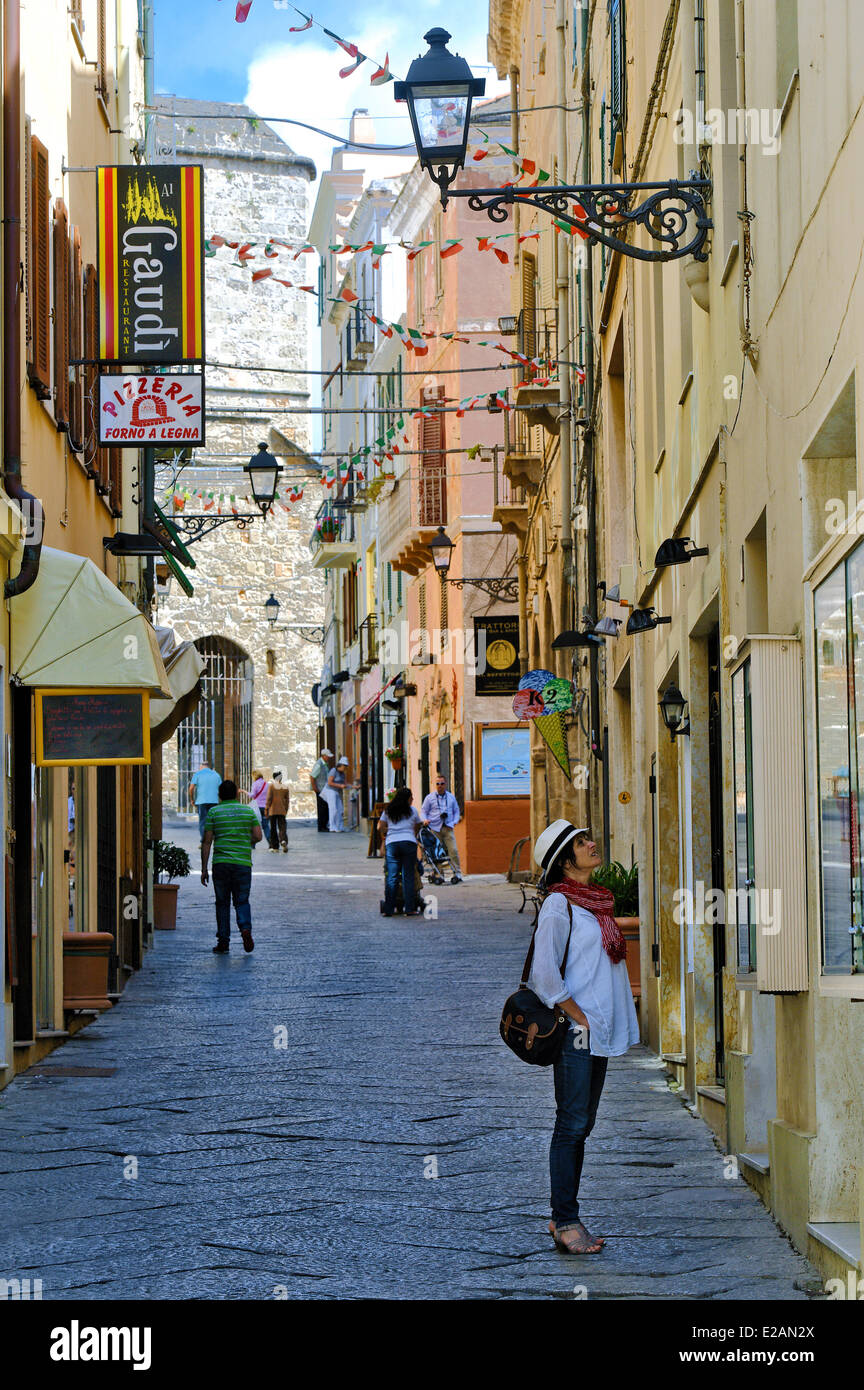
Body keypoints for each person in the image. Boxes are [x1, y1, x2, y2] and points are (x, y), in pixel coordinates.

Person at [527, 819, 639, 1255]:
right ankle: (565, 1219)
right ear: (565, 861)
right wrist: (580, 1018)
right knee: (571, 1125)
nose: (592, 844)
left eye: (588, 838)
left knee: (583, 1124)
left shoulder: (596, 904)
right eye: (580, 842)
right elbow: (543, 974)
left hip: (598, 1029)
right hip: (578, 1032)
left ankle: (566, 1215)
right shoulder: (560, 906)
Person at [201, 779, 263, 953]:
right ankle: (245, 928)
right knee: (241, 900)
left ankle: (223, 942)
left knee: (222, 903)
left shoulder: (214, 812)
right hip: (242, 864)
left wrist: (204, 869)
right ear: (237, 793)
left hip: (221, 864)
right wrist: (244, 840)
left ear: (220, 795)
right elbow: (258, 836)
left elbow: (207, 842)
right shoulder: (247, 811)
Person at [377, 787, 422, 917]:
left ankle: (389, 909)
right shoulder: (412, 810)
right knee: (408, 877)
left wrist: (386, 833)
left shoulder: (389, 810)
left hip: (392, 843)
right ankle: (409, 909)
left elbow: (380, 826)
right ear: (407, 799)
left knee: (392, 877)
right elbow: (418, 825)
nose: (412, 799)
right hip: (409, 843)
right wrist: (413, 833)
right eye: (411, 797)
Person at [420, 774, 463, 882]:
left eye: (442, 784)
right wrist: (425, 820)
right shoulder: (429, 798)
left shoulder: (451, 797)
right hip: (435, 828)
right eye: (438, 784)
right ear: (435, 785)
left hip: (448, 827)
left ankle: (457, 873)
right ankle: (439, 874)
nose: (440, 786)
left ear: (446, 784)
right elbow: (423, 811)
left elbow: (456, 811)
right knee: (436, 852)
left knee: (453, 850)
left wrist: (454, 822)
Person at [189, 760, 222, 842]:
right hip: (214, 801)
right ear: (209, 766)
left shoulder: (197, 774)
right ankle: (213, 837)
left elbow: (191, 788)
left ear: (201, 766)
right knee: (213, 820)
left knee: (203, 821)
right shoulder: (216, 774)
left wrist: (192, 799)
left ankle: (204, 839)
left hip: (201, 801)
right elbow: (221, 788)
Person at [322, 756, 354, 833]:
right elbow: (329, 782)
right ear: (340, 765)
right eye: (344, 766)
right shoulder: (333, 771)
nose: (345, 768)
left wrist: (354, 786)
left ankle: (339, 826)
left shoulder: (343, 774)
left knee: (340, 809)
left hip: (337, 792)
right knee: (333, 809)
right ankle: (332, 826)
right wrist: (340, 786)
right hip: (330, 791)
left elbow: (345, 784)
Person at [309, 748, 334, 832]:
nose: (329, 758)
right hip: (320, 789)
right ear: (324, 756)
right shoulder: (319, 764)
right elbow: (312, 776)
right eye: (328, 756)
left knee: (325, 807)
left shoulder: (325, 764)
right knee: (322, 808)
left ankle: (324, 825)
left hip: (325, 789)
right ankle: (321, 826)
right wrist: (315, 789)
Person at [265, 770, 290, 852]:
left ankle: (275, 846)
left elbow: (269, 799)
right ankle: (283, 840)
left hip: (273, 810)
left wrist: (266, 809)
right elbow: (287, 800)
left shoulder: (271, 786)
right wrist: (286, 809)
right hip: (282, 810)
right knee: (282, 827)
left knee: (273, 828)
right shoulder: (285, 787)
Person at [248, 770, 270, 844]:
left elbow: (252, 795)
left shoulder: (255, 784)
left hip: (257, 807)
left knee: (254, 825)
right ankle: (270, 843)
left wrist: (243, 791)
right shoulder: (267, 784)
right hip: (266, 807)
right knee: (266, 826)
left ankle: (253, 844)